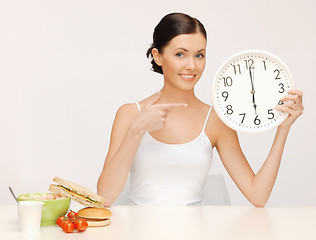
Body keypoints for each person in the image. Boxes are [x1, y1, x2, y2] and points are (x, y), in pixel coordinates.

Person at [97, 12, 304, 207]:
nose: (191, 66)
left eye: (199, 55)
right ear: (158, 56)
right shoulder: (130, 113)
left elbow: (258, 195)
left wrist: (282, 127)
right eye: (180, 54)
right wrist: (136, 130)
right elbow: (105, 197)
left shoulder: (215, 120)